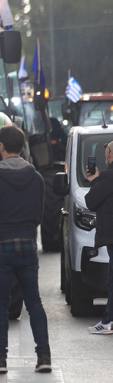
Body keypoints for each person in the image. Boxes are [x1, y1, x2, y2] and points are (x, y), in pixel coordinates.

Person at [0, 124, 51, 374]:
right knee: (34, 302)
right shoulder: (35, 176)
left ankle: (0, 360)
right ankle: (44, 357)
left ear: (1, 146)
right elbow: (39, 214)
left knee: (0, 305)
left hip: (0, 248)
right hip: (27, 246)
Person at [84, 140, 113, 334]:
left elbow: (91, 201)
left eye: (107, 151)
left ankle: (108, 321)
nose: (106, 155)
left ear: (111, 154)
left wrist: (94, 181)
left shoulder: (108, 176)